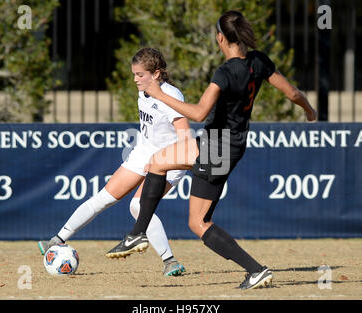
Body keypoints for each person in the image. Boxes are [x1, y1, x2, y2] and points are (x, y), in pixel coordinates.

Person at [106, 10, 317, 289]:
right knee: (163, 171)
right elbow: (292, 93)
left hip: (216, 146)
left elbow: (199, 113)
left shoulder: (225, 72)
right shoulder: (259, 61)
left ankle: (140, 233)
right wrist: (309, 110)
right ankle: (139, 233)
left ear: (220, 37)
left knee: (197, 220)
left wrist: (159, 95)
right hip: (232, 145)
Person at [38, 47, 192, 277]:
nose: (135, 79)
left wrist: (162, 161)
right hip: (145, 151)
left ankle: (170, 261)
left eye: (140, 74)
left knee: (137, 206)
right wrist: (149, 156)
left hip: (170, 158)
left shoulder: (171, 96)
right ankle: (57, 240)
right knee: (103, 198)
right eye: (134, 74)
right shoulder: (145, 91)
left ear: (157, 74)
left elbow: (186, 140)